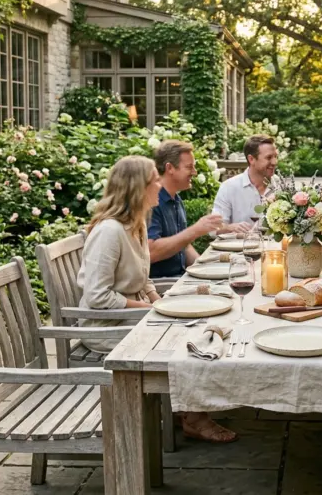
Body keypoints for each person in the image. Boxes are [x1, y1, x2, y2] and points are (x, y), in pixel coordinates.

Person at [77, 155, 237, 443]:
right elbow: (97, 297)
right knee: (187, 334)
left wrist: (156, 299)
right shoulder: (110, 231)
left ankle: (188, 406)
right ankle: (192, 416)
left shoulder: (135, 224)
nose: (159, 185)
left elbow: (141, 276)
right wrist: (154, 309)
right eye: (154, 180)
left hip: (132, 315)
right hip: (105, 326)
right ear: (138, 188)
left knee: (199, 321)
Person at [148, 140, 224, 278]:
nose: (194, 172)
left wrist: (208, 271)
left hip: (179, 280)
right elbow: (151, 252)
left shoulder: (176, 200)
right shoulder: (152, 202)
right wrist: (195, 230)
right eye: (189, 167)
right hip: (159, 285)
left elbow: (184, 245)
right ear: (170, 168)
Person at [212, 134, 278, 233]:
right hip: (239, 247)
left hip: (274, 248)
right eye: (269, 157)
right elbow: (213, 229)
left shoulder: (282, 187)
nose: (274, 162)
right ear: (251, 159)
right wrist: (231, 227)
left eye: (276, 156)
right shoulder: (229, 187)